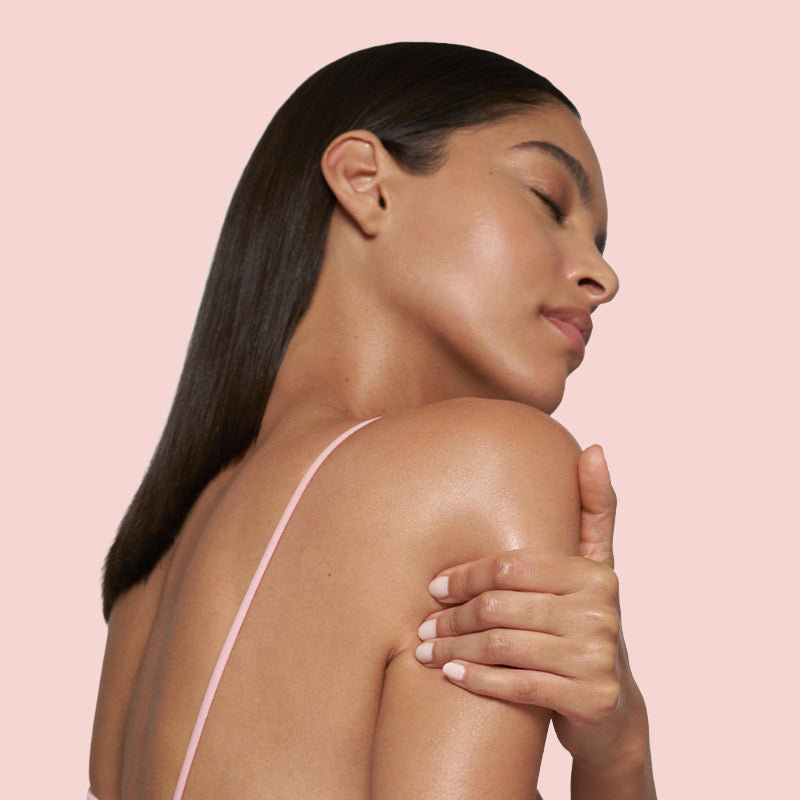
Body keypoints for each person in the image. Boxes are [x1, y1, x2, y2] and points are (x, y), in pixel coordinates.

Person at [89, 42, 656, 798]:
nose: (602, 276)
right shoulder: (487, 465)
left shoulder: (150, 577)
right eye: (549, 200)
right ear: (366, 183)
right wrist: (620, 758)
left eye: (599, 242)